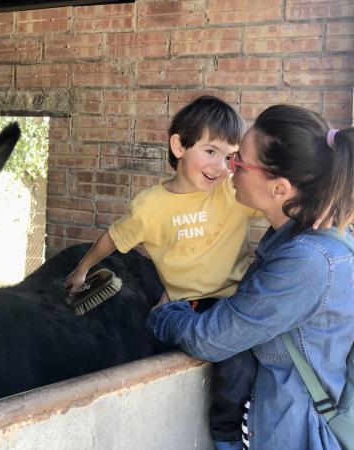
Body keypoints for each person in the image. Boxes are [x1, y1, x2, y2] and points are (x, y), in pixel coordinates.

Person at [146, 105, 354, 450]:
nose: (229, 171)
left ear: (279, 188)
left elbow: (210, 338)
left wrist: (163, 314)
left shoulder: (306, 262)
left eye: (239, 162)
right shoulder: (304, 240)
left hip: (292, 435)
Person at [65, 95, 260, 448]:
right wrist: (82, 269)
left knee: (239, 365)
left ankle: (227, 437)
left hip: (231, 305)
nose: (220, 166)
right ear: (179, 145)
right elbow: (114, 237)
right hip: (183, 306)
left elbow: (277, 206)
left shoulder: (234, 193)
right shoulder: (150, 206)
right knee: (146, 348)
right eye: (211, 151)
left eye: (230, 156)